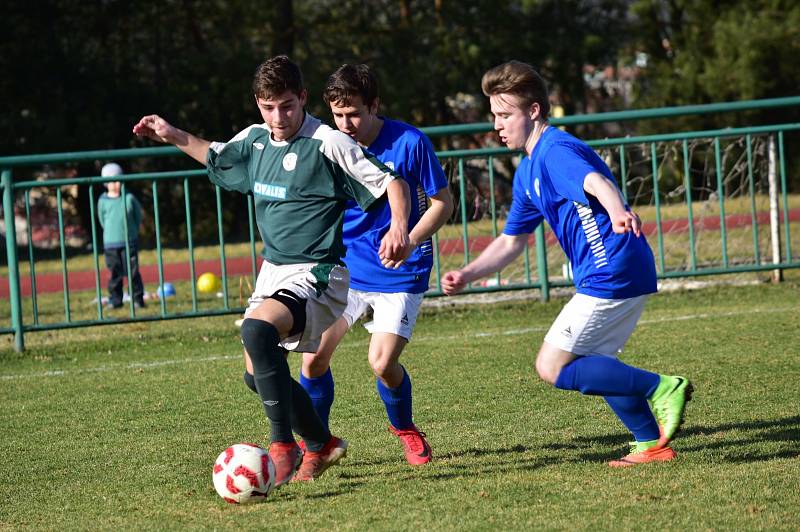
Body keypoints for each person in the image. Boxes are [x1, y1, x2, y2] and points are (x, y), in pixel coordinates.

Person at [132, 55, 412, 485]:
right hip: (274, 274)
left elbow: (393, 182)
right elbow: (215, 155)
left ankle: (284, 445)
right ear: (257, 104)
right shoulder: (256, 140)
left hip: (320, 273)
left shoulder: (328, 142)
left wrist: (398, 228)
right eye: (268, 107)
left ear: (302, 98)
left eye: (286, 105)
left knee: (256, 333)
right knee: (255, 373)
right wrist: (171, 134)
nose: (278, 117)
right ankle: (320, 442)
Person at [441, 61, 693, 467]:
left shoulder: (554, 151)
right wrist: (469, 273)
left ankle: (662, 387)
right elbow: (512, 241)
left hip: (612, 267)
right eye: (494, 115)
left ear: (535, 111)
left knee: (552, 365)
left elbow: (596, 181)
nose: (497, 125)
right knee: (597, 362)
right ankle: (651, 443)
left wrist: (616, 211)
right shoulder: (527, 171)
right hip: (615, 267)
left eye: (505, 115)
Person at [299, 64, 453, 466]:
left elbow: (443, 204)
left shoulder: (410, 142)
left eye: (354, 114)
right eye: (337, 115)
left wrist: (410, 238)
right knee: (313, 357)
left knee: (382, 363)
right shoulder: (329, 145)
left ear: (374, 106)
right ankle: (316, 445)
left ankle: (405, 428)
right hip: (347, 269)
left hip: (402, 269)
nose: (345, 124)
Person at [97, 162, 145, 309]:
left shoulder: (129, 198)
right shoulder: (103, 201)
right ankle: (115, 300)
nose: (116, 183)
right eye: (112, 180)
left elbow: (138, 216)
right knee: (115, 273)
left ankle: (137, 299)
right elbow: (102, 219)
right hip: (110, 244)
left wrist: (133, 232)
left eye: (119, 179)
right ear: (105, 183)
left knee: (133, 272)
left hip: (129, 242)